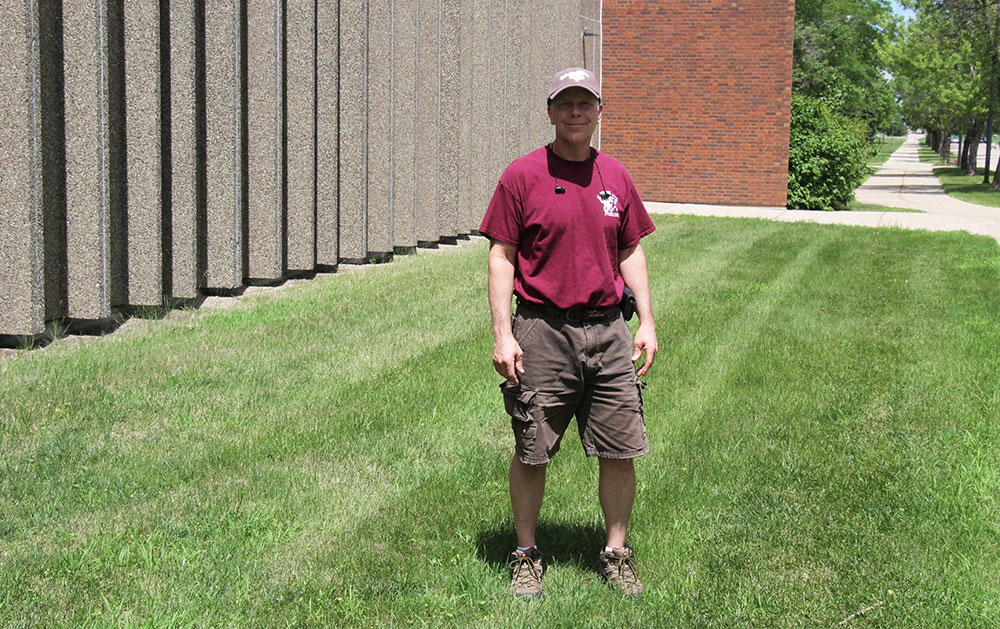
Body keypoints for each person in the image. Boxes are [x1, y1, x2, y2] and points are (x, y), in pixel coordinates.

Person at [479, 67, 658, 599]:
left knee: (621, 448)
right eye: (566, 103)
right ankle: (527, 554)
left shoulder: (617, 177)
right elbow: (501, 256)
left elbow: (630, 250)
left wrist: (646, 320)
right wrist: (502, 334)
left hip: (608, 331)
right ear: (551, 111)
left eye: (586, 103)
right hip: (542, 330)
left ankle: (616, 552)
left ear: (599, 112)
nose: (576, 112)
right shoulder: (522, 175)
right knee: (533, 447)